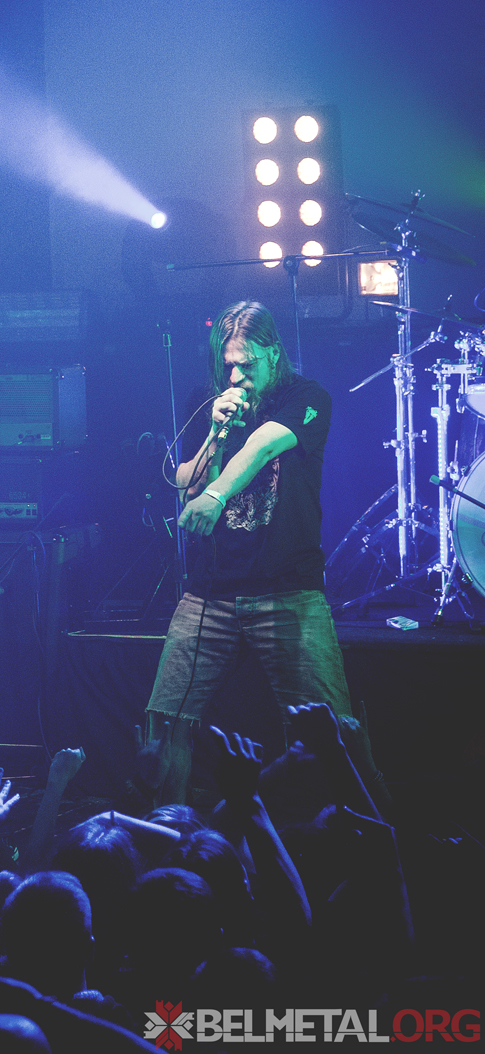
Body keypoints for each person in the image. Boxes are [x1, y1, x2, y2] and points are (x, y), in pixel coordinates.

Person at [146, 300, 375, 804]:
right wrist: (214, 432)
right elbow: (186, 483)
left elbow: (264, 446)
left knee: (330, 731)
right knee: (165, 722)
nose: (235, 375)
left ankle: (355, 834)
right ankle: (169, 832)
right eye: (227, 364)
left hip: (287, 589)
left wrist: (216, 495)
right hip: (211, 592)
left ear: (272, 353)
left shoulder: (306, 396)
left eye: (246, 364)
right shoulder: (208, 402)